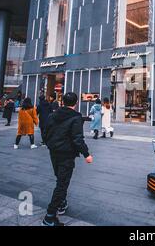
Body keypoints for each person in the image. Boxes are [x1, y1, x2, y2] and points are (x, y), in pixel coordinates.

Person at [42, 92, 93, 226]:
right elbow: (77, 139)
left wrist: (50, 144)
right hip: (66, 155)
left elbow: (45, 132)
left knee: (60, 178)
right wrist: (87, 154)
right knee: (62, 184)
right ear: (76, 103)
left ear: (62, 102)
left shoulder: (53, 115)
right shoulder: (76, 117)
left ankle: (62, 203)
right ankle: (49, 217)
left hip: (54, 152)